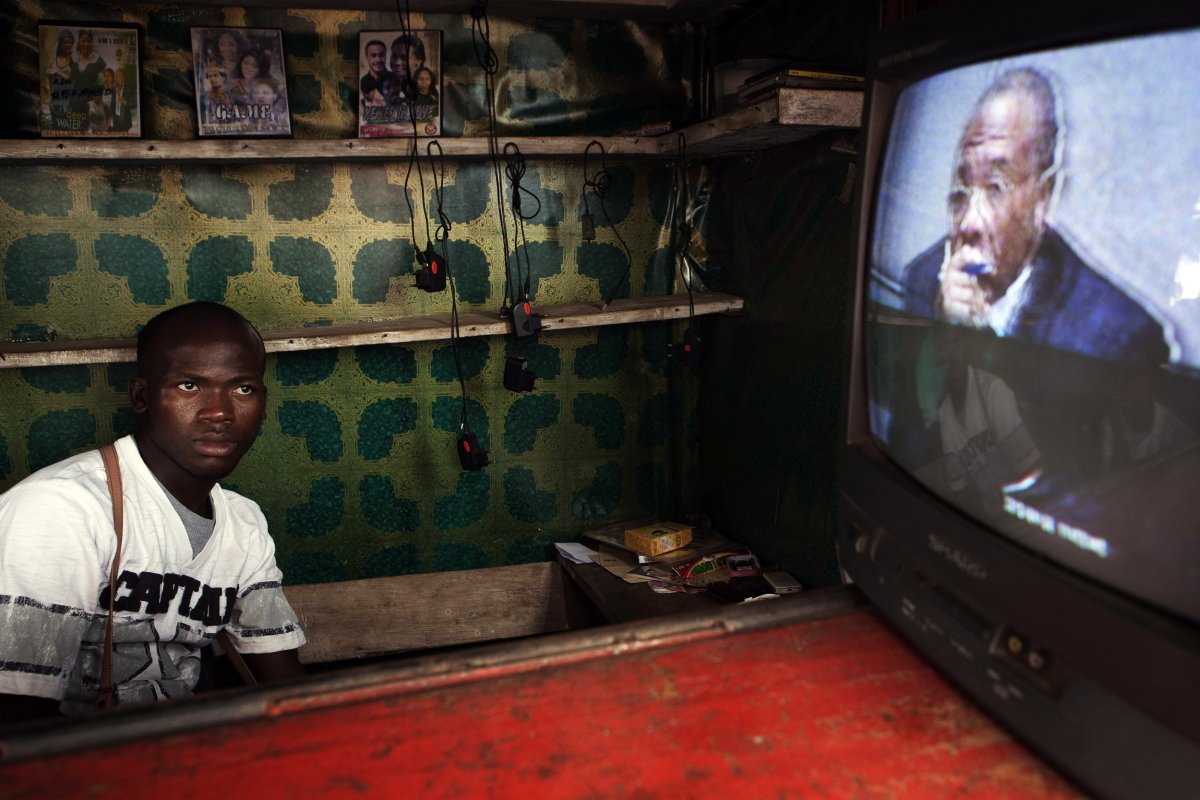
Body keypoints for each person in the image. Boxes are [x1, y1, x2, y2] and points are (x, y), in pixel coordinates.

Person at [0, 302, 306, 724]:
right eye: (188, 386)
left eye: (242, 389)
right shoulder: (61, 508)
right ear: (142, 396)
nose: (219, 412)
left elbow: (283, 684)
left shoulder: (243, 522)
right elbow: (15, 716)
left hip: (188, 755)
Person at [901, 67, 1169, 365]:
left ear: (1044, 196)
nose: (969, 224)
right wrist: (945, 335)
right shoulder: (923, 278)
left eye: (996, 188)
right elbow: (912, 409)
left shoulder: (1116, 336)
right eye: (961, 190)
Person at [360, 39, 390, 106]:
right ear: (366, 57)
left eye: (382, 55)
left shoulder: (394, 80)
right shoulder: (363, 81)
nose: (378, 60)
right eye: (373, 56)